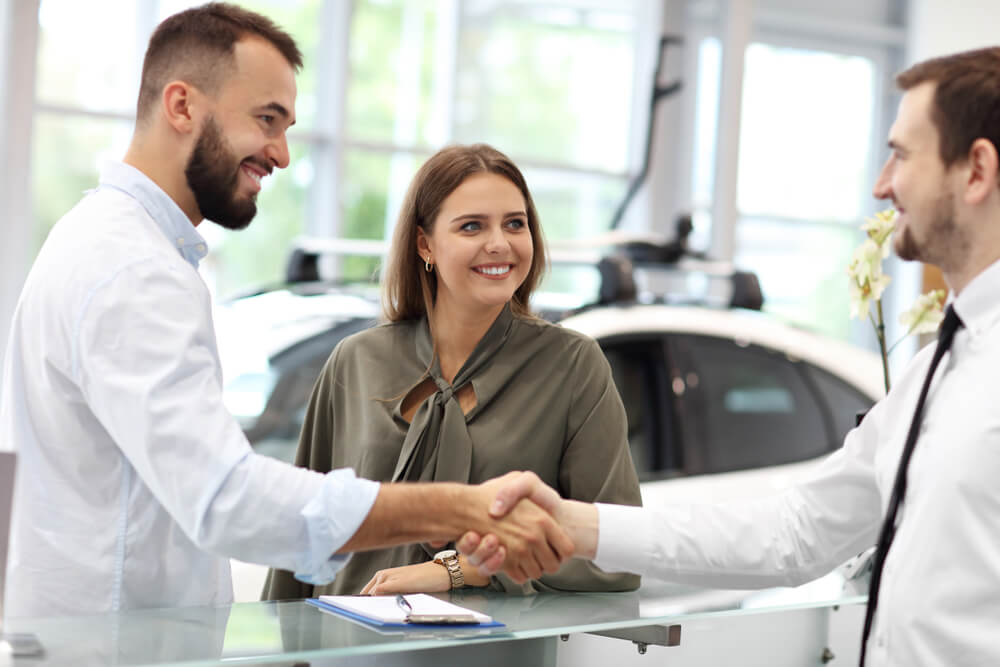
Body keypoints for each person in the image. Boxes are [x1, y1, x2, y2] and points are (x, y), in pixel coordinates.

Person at [0, 3, 571, 619]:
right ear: (182, 105)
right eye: (266, 120)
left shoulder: (101, 240)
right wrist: (459, 509)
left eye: (288, 126)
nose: (282, 154)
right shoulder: (134, 269)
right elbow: (228, 498)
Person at [477, 47, 1000, 667]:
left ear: (975, 171)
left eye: (902, 154)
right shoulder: (937, 369)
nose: (882, 184)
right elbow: (794, 533)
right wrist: (574, 523)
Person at [263, 144, 641, 599]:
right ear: (425, 244)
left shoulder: (573, 366)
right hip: (347, 647)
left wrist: (463, 569)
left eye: (514, 224)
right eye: (472, 226)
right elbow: (303, 537)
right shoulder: (356, 361)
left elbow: (619, 554)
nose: (499, 242)